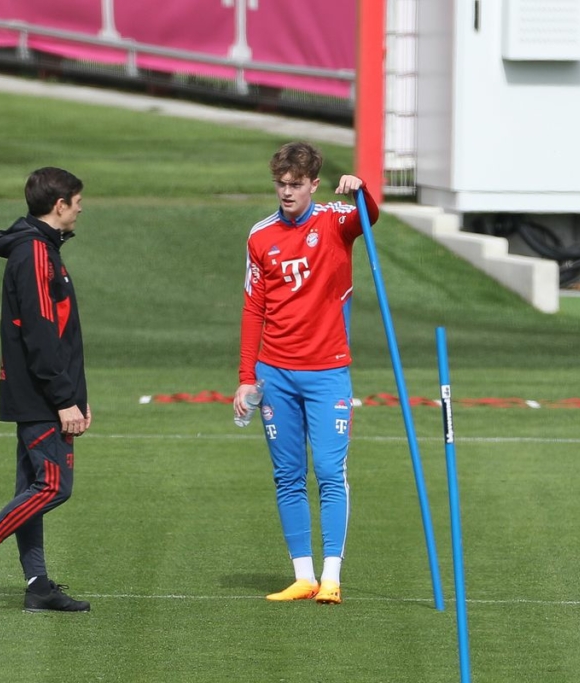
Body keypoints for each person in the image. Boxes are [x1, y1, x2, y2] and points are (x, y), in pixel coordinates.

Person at [0, 166, 92, 613]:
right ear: (58, 205)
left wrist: (79, 394)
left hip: (45, 391)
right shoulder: (35, 254)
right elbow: (42, 335)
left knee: (32, 486)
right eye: (77, 200)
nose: (82, 207)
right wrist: (65, 399)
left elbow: (60, 334)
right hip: (42, 395)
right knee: (52, 487)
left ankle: (38, 585)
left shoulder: (40, 249)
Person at [233, 141, 379, 605]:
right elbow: (253, 306)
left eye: (296, 185)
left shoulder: (336, 219)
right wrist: (245, 374)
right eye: (281, 184)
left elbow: (369, 218)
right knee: (288, 475)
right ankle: (303, 575)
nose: (286, 192)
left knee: (330, 472)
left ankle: (332, 576)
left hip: (328, 371)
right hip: (274, 372)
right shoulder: (260, 235)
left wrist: (361, 191)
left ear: (314, 184)